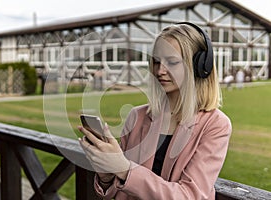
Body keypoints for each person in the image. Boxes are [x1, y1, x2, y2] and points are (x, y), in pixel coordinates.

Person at [78, 22, 232, 200]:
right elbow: (116, 192)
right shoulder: (136, 116)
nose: (160, 70)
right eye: (156, 61)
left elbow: (191, 196)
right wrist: (106, 177)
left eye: (172, 62)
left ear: (199, 67)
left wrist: (124, 168)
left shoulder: (216, 125)